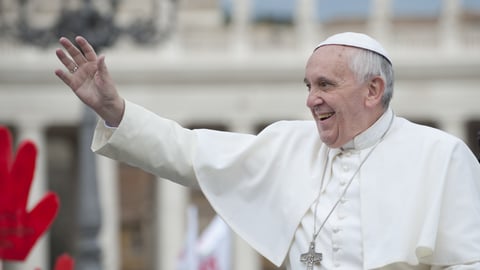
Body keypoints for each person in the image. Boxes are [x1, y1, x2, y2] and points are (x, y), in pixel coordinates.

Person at [55, 32, 480, 269]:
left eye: (326, 85)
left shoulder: (441, 156)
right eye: (308, 86)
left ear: (373, 90)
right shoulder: (287, 144)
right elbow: (187, 151)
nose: (312, 99)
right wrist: (115, 110)